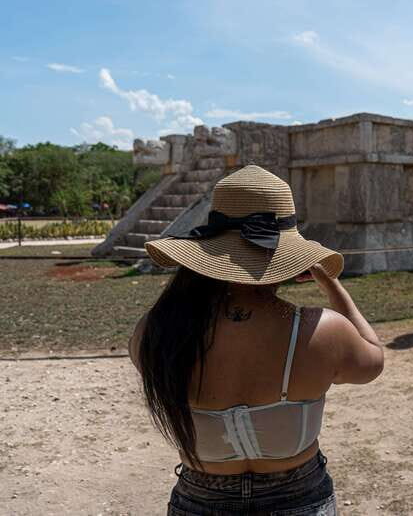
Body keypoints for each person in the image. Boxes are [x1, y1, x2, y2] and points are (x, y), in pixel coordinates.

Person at [129, 165, 384, 515]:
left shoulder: (155, 332)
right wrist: (330, 284)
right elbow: (372, 359)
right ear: (288, 256)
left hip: (200, 499)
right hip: (298, 497)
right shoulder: (322, 330)